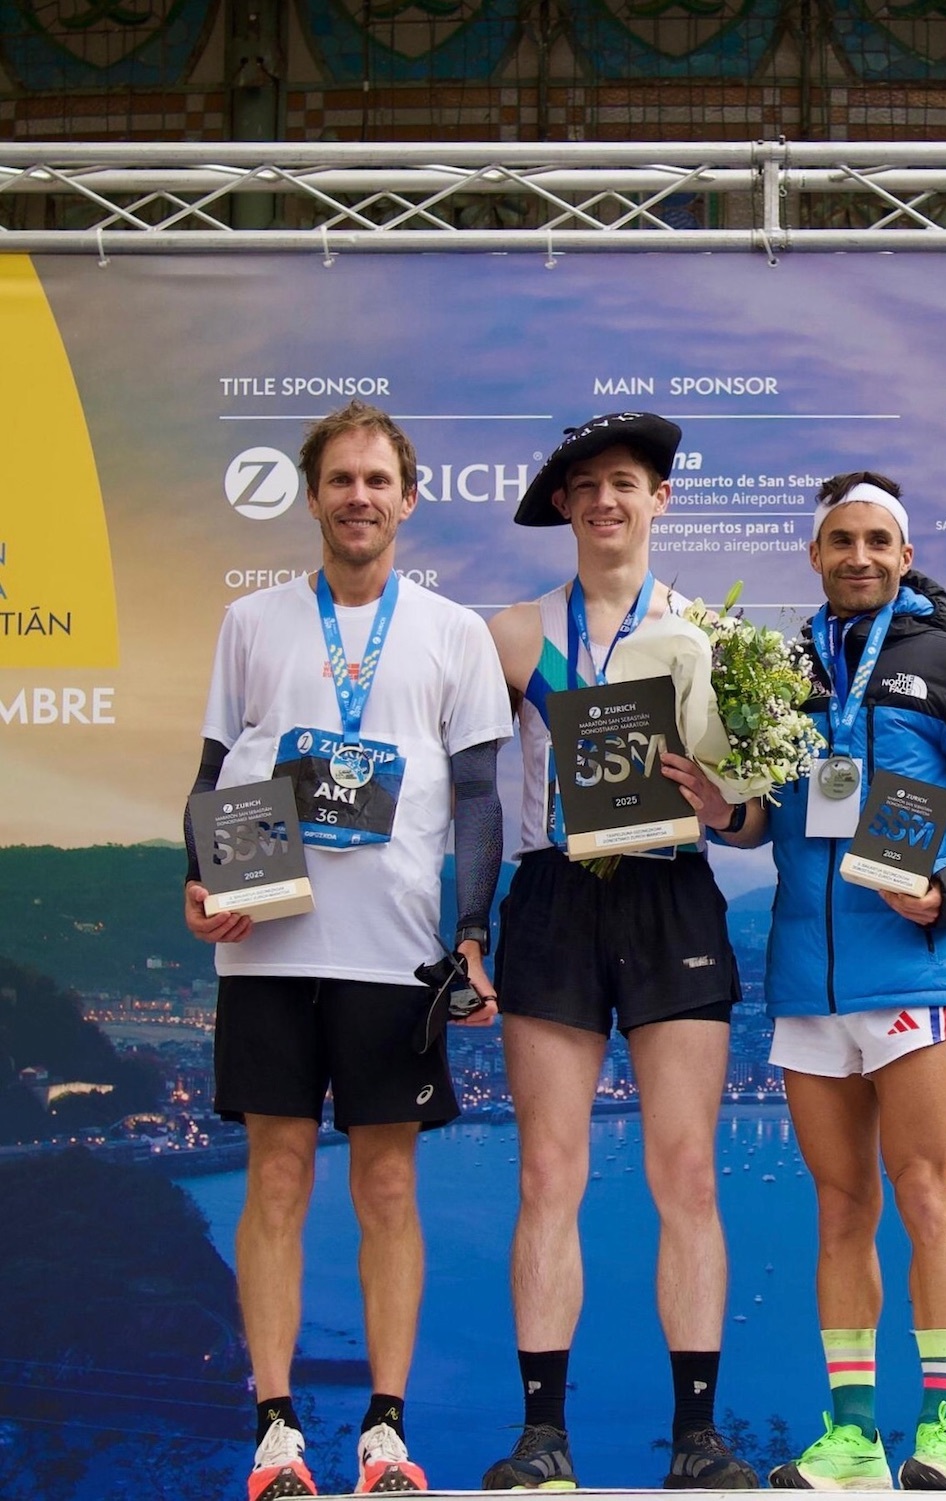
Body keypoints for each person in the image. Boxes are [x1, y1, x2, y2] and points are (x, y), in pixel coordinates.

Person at [667, 472, 946, 1496]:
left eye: (879, 539)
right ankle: (851, 1441)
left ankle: (943, 1435)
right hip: (807, 980)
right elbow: (769, 815)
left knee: (925, 1189)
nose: (861, 556)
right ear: (815, 554)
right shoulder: (781, 670)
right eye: (842, 539)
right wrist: (723, 809)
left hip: (914, 968)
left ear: (906, 554)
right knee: (840, 1206)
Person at [183, 400, 512, 1501]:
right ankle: (276, 1433)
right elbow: (212, 773)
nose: (358, 497)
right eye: (340, 479)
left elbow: (479, 798)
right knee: (275, 1174)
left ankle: (384, 1436)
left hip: (395, 955)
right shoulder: (252, 621)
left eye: (377, 480)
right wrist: (199, 878)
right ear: (314, 496)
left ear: (407, 499)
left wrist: (471, 935)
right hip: (266, 943)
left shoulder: (455, 632)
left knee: (386, 1185)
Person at [483, 412, 757, 1491]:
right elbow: (466, 789)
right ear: (563, 504)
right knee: (549, 1171)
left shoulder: (708, 635)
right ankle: (542, 1437)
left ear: (660, 500)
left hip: (670, 894)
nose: (607, 499)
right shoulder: (513, 635)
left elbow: (753, 819)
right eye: (587, 484)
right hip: (553, 891)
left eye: (627, 482)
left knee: (686, 1172)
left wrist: (723, 805)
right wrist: (468, 925)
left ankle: (697, 1439)